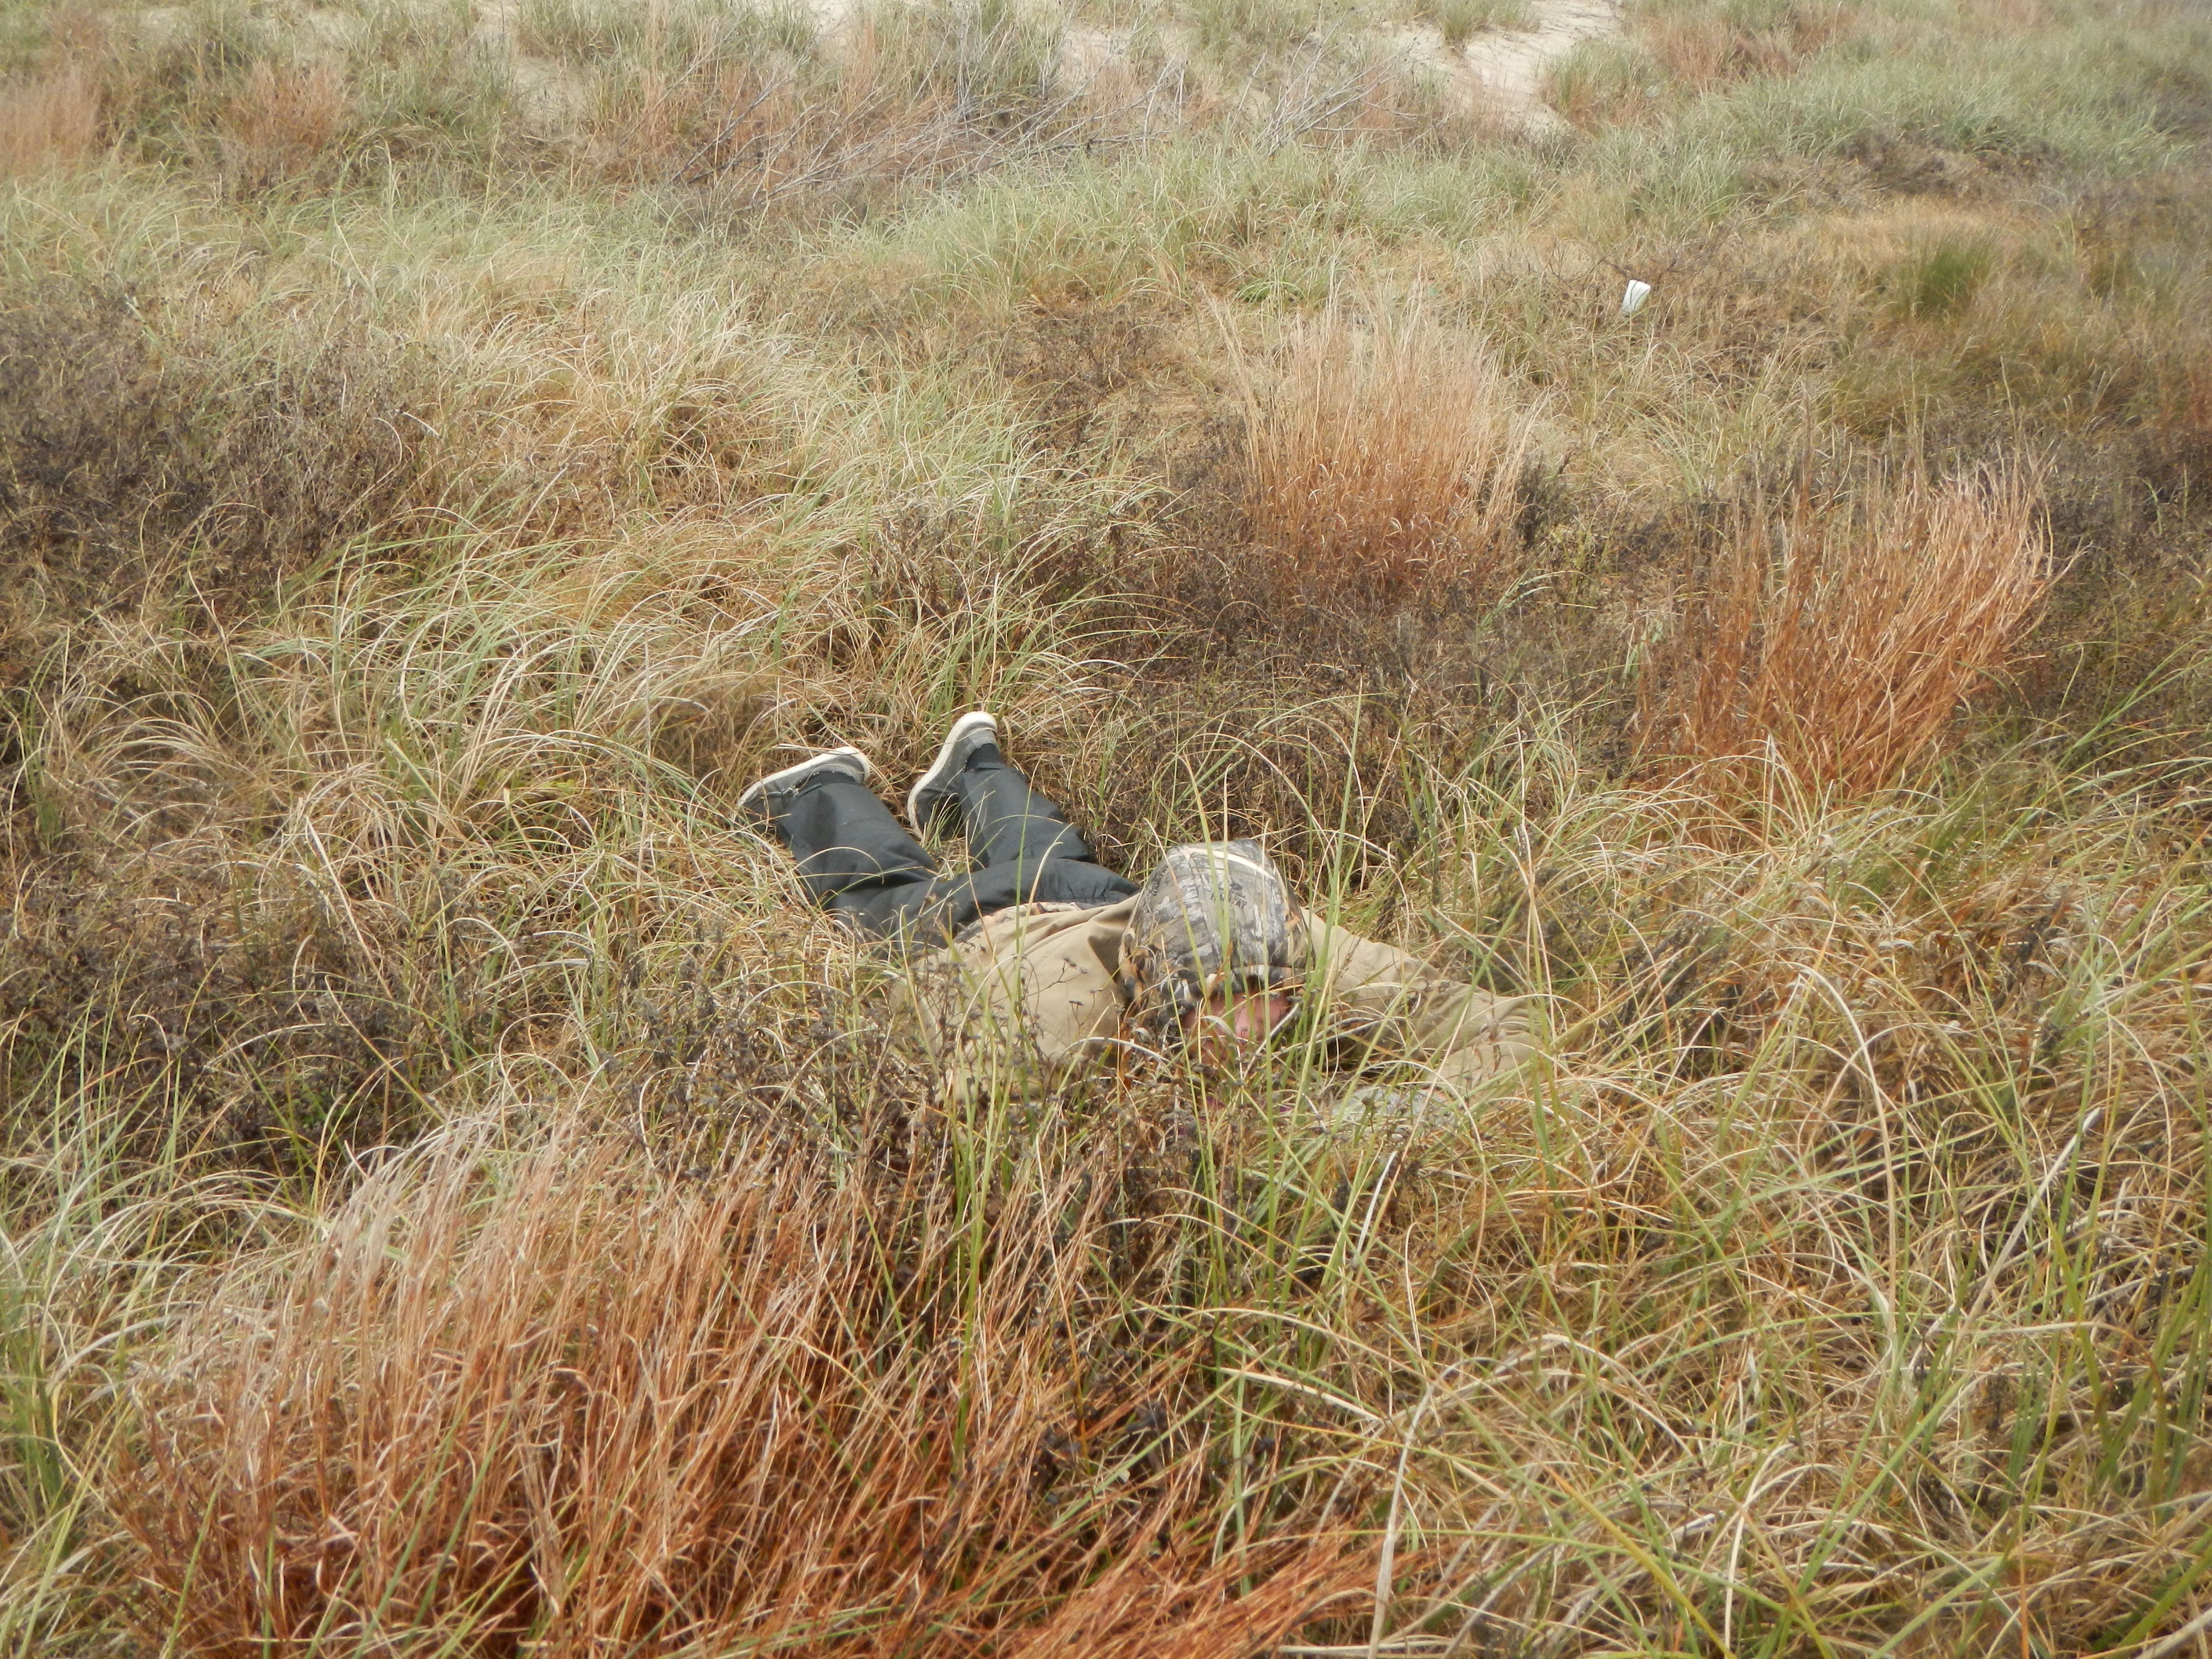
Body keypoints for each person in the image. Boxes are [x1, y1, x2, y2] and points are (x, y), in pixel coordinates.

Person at [740, 711, 1534, 1109]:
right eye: (1219, 1007)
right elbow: (943, 1124)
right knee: (879, 897)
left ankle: (977, 764)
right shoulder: (1042, 1032)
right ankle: (820, 788)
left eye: (1272, 1000)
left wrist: (1372, 1121)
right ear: (1154, 983)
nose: (1254, 1029)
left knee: (1054, 855)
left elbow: (1515, 1030)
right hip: (986, 929)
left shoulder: (1286, 946)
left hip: (1101, 899)